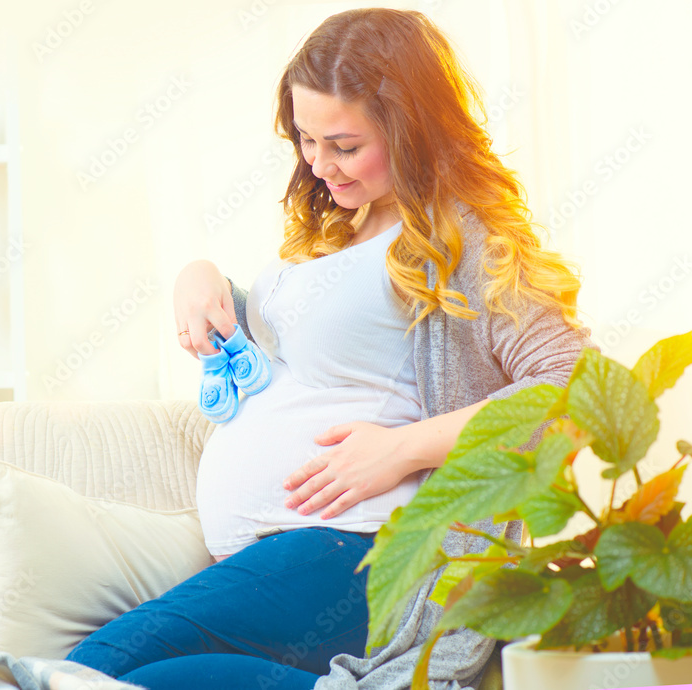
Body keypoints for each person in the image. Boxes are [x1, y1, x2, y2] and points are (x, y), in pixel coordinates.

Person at [66, 7, 594, 689]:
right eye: (305, 140)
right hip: (292, 559)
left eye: (344, 146)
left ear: (411, 130)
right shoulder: (339, 231)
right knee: (151, 676)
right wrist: (200, 280)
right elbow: (304, 354)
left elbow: (575, 391)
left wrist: (402, 448)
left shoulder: (461, 241)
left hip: (357, 552)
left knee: (87, 671)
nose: (319, 166)